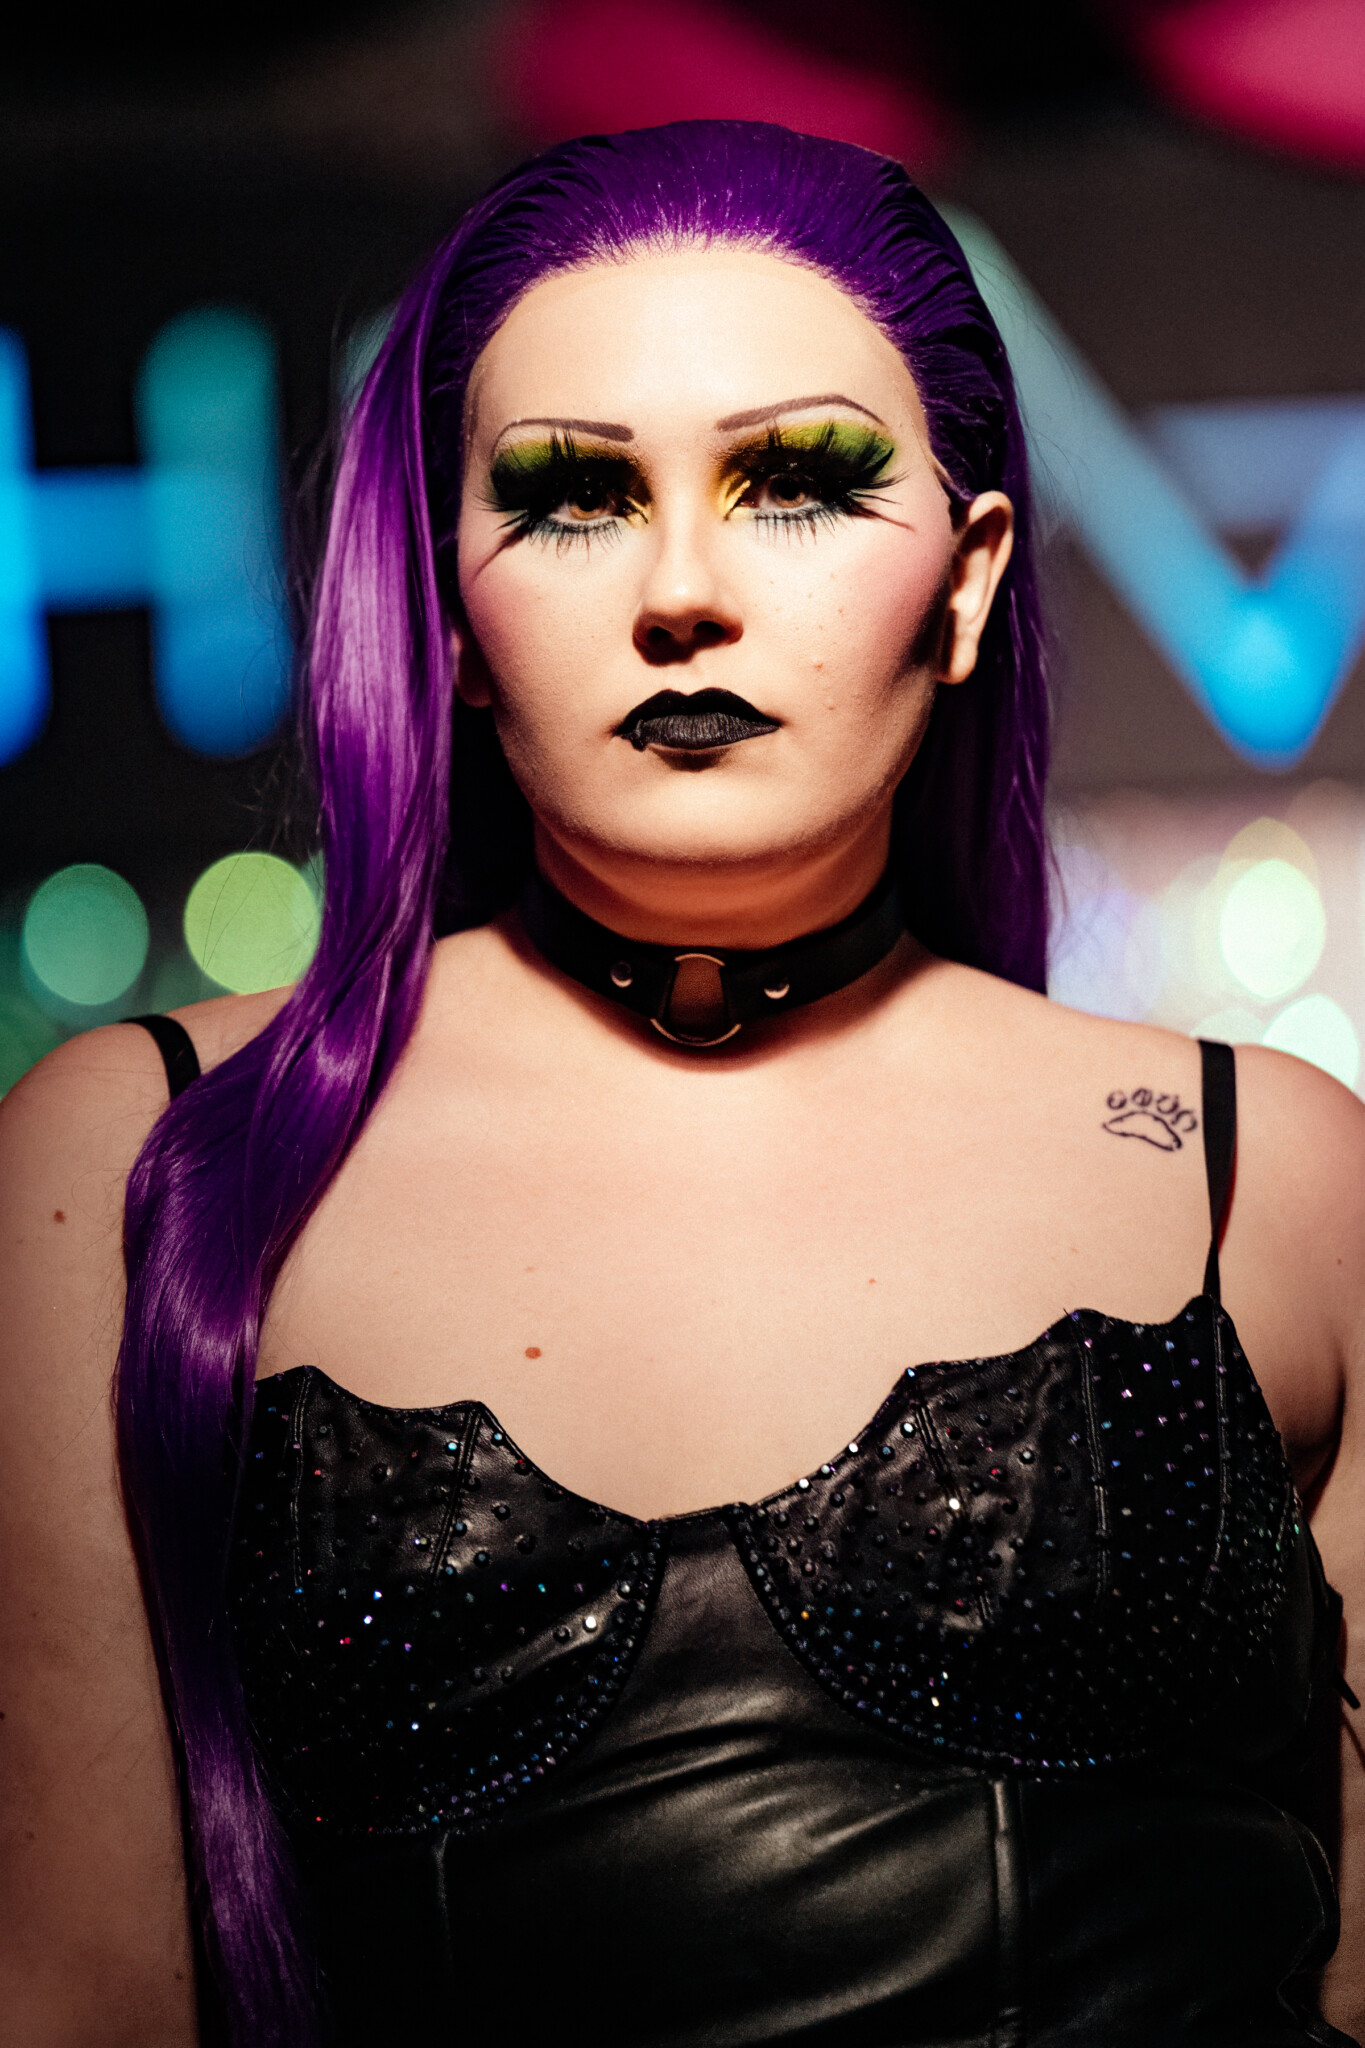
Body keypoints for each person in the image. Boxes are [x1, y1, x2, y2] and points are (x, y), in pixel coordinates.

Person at [0, 119, 1361, 2048]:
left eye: (796, 481)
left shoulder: (1265, 1177)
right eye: (571, 497)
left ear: (970, 580)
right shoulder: (140, 1164)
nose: (682, 591)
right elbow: (68, 1999)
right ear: (450, 612)